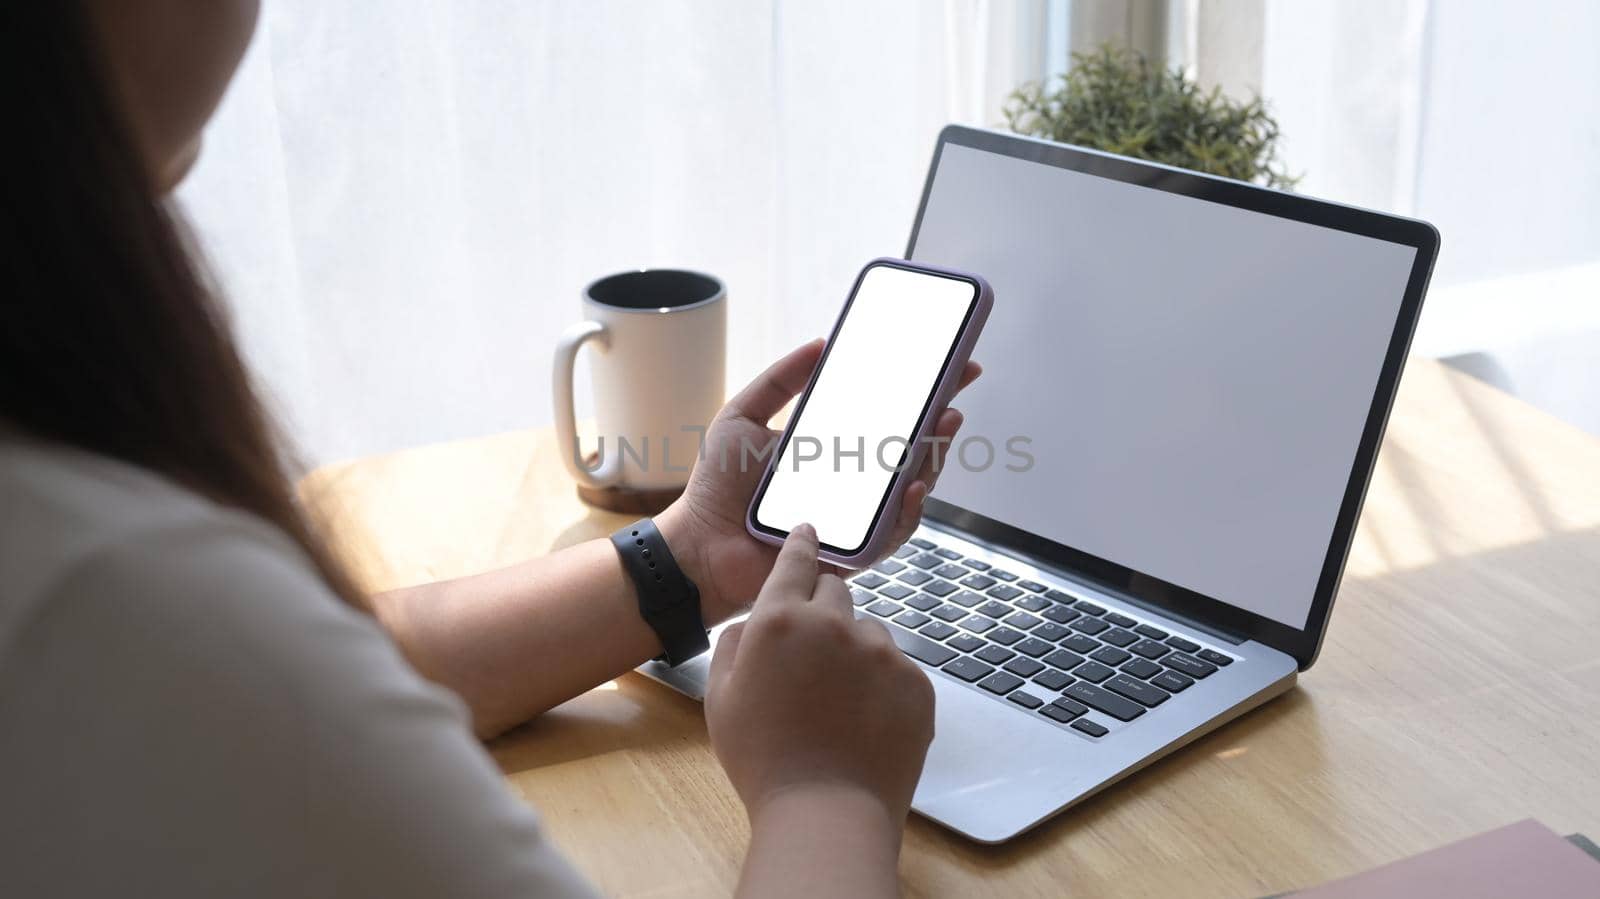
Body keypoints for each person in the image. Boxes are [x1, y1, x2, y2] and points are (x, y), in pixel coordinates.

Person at [0, 3, 982, 897]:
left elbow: (301, 674)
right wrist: (825, 790)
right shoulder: (107, 589)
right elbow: (230, 668)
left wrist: (688, 557)